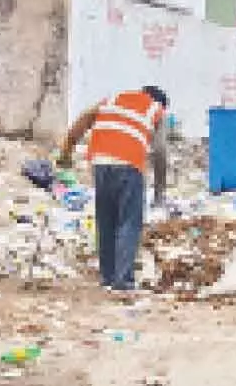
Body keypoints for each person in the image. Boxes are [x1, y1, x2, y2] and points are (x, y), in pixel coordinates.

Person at [56, 86, 170, 292]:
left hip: (100, 162)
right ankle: (123, 280)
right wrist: (160, 190)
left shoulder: (113, 100)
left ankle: (107, 277)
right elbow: (160, 151)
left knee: (106, 220)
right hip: (129, 165)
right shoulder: (156, 110)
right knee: (129, 221)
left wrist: (66, 152)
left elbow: (83, 120)